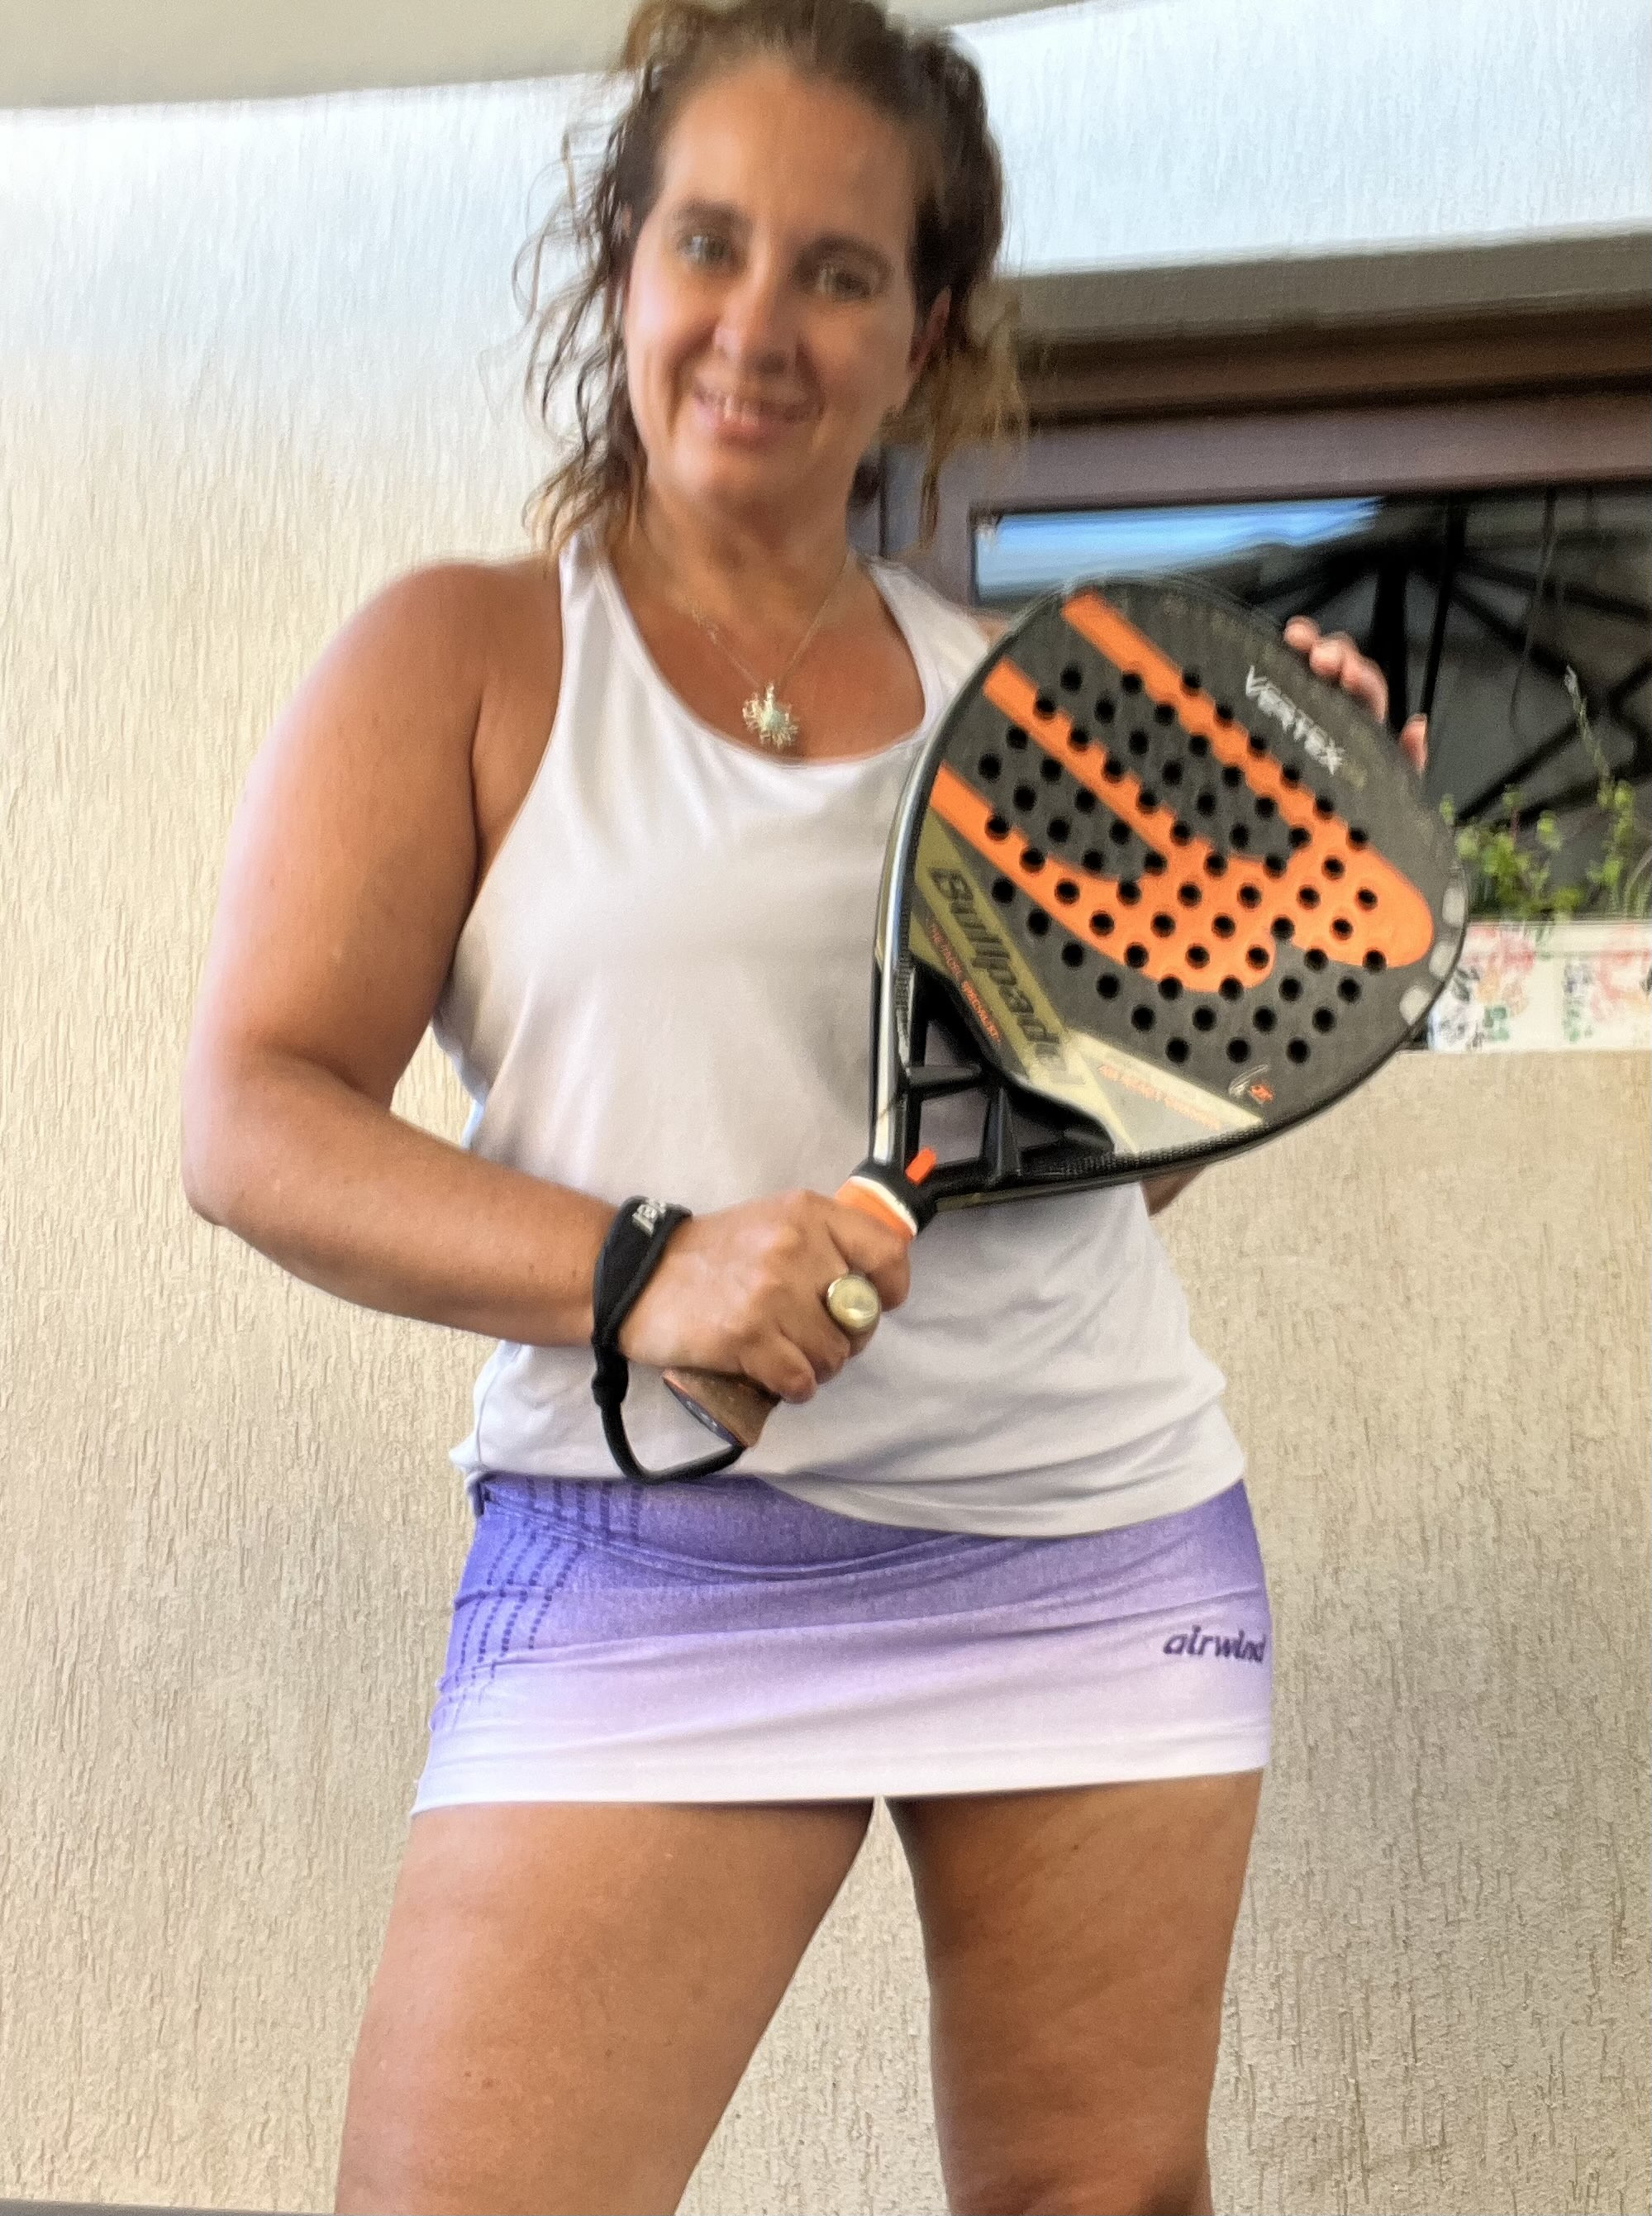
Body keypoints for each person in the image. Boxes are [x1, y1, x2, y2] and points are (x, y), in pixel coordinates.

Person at [180, 2, 1429, 2209]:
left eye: (840, 272)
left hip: (1083, 1532)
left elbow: (1099, 1164)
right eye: (712, 244)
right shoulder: (464, 657)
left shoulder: (1021, 705)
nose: (759, 324)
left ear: (921, 332)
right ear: (624, 264)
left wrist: (1267, 890)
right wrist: (641, 1270)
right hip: (645, 1552)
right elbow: (254, 1122)